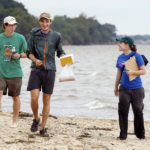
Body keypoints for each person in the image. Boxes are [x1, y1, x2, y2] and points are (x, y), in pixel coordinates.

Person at [26, 12, 65, 136]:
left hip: (50, 70)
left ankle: (43, 128)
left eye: (47, 21)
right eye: (42, 21)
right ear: (39, 22)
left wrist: (65, 57)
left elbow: (60, 52)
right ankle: (36, 118)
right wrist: (35, 60)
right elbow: (29, 52)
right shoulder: (34, 34)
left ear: (50, 22)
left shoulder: (56, 36)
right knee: (34, 97)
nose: (44, 23)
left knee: (46, 100)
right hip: (36, 70)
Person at [114, 36, 146, 140]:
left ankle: (140, 135)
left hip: (137, 88)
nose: (119, 44)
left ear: (127, 45)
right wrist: (116, 86)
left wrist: (133, 72)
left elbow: (143, 71)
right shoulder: (120, 57)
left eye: (121, 43)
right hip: (123, 88)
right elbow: (119, 72)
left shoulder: (137, 56)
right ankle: (123, 135)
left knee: (138, 111)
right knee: (123, 111)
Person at [0, 16, 27, 127]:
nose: (12, 27)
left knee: (15, 97)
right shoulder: (0, 38)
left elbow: (27, 53)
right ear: (5, 25)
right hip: (1, 71)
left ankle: (15, 121)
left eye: (14, 25)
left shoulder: (20, 38)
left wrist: (19, 55)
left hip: (15, 73)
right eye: (10, 25)